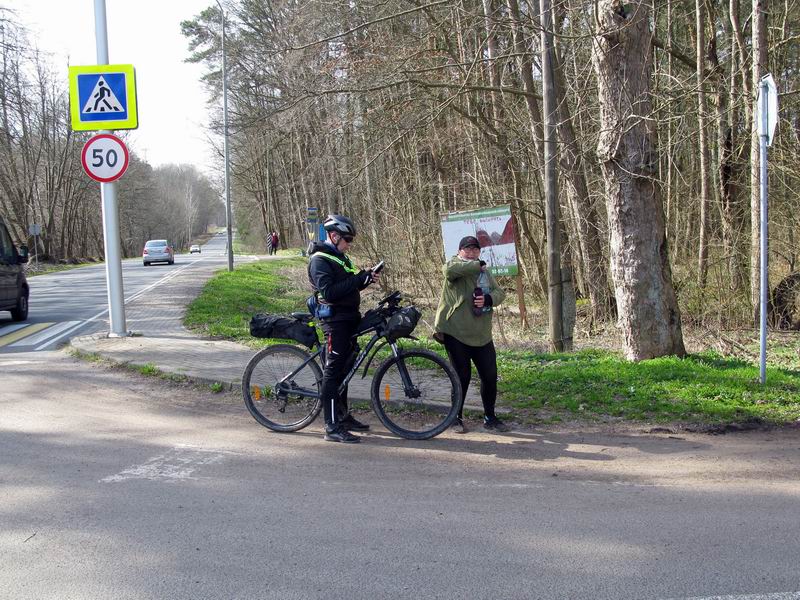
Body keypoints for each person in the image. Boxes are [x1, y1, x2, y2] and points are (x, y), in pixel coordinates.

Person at [307, 214, 381, 443]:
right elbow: (329, 292)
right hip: (335, 323)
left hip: (349, 319)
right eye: (347, 239)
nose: (349, 244)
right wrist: (358, 279)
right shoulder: (320, 260)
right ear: (334, 235)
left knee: (345, 369)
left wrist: (366, 279)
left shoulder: (339, 257)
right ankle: (331, 426)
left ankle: (342, 414)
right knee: (333, 372)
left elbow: (348, 288)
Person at [434, 235, 509, 433]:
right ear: (460, 251)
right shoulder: (454, 265)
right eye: (467, 248)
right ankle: (455, 418)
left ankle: (490, 417)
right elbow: (449, 271)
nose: (472, 252)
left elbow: (500, 293)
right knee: (461, 376)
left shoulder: (484, 271)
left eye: (475, 249)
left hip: (481, 333)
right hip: (456, 331)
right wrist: (477, 265)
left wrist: (487, 299)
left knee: (490, 375)